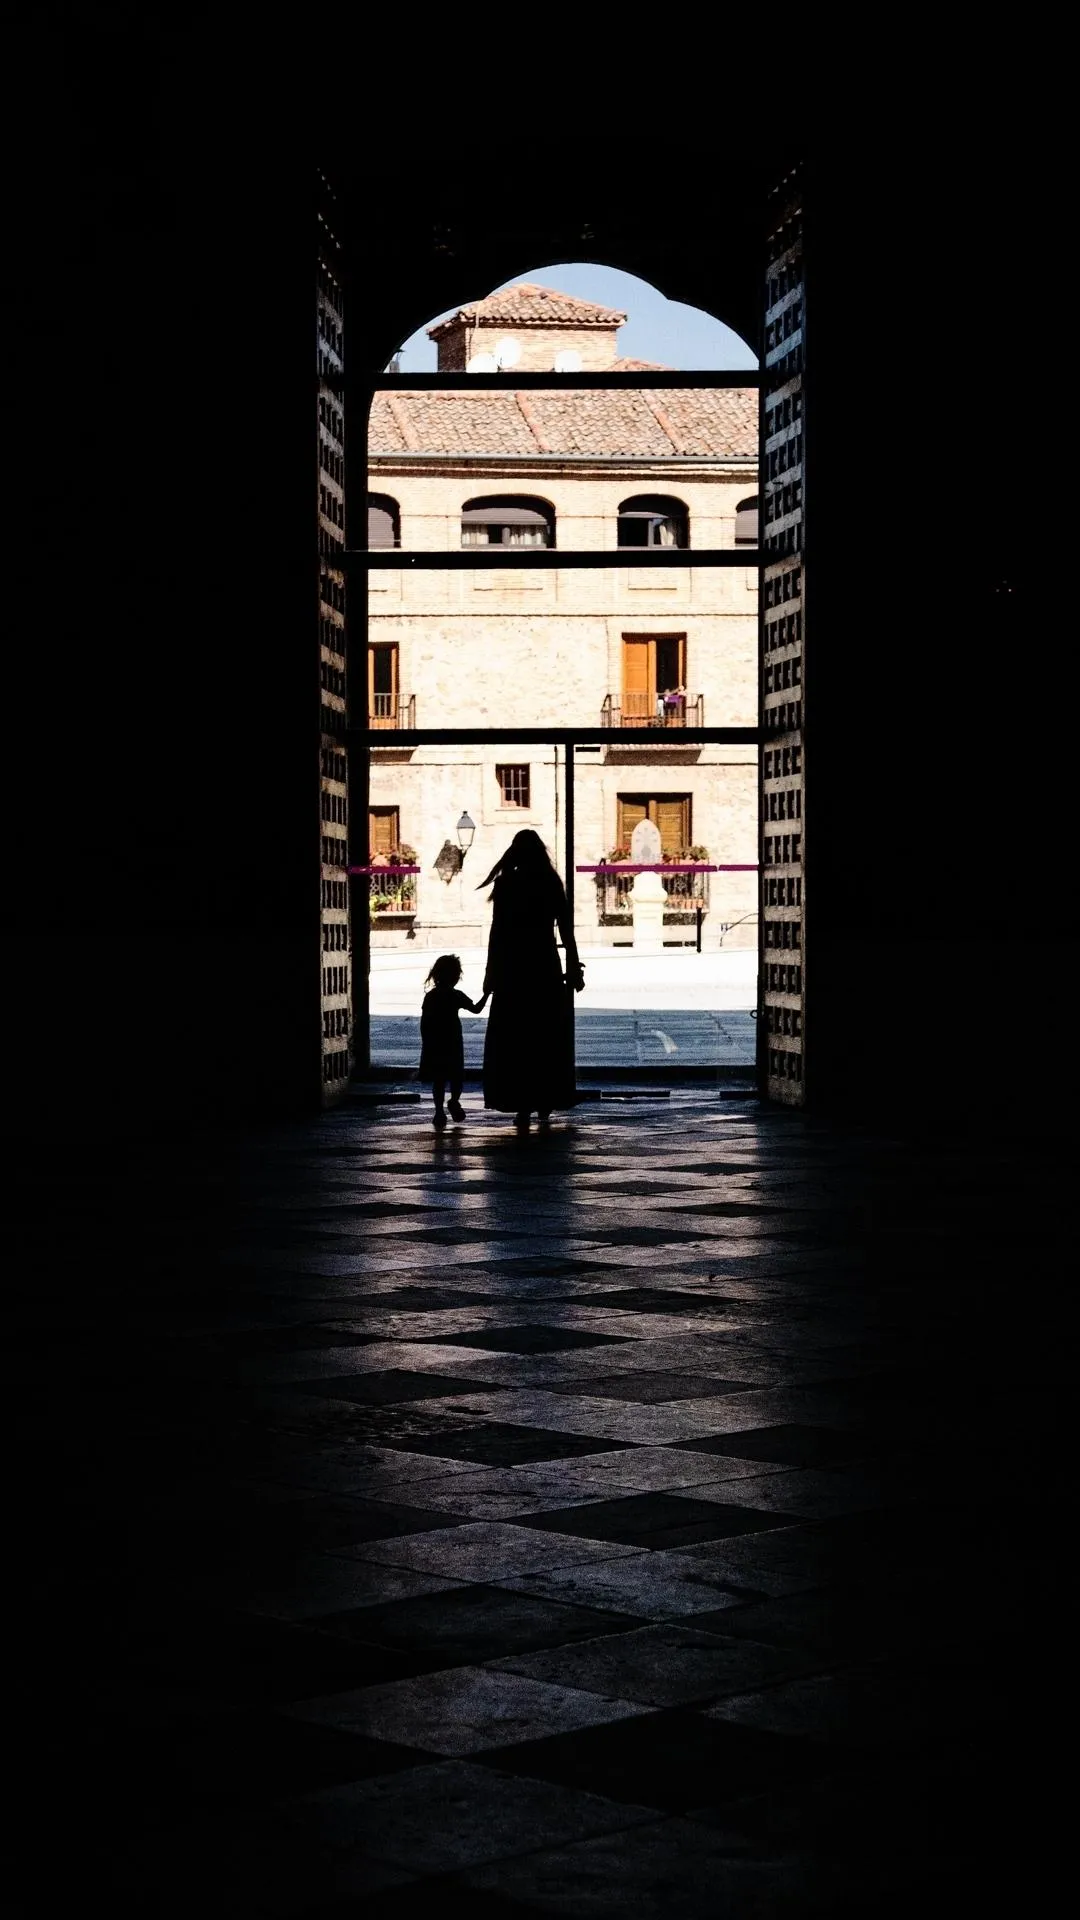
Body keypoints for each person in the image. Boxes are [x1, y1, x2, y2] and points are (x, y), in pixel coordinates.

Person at [478, 829, 585, 1130]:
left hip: (513, 968)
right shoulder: (551, 883)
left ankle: (521, 1101)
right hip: (543, 966)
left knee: (516, 1038)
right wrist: (574, 968)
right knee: (544, 1034)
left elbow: (497, 932)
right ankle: (546, 1099)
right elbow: (566, 931)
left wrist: (490, 973)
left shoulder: (506, 884)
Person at [419, 955, 487, 1132]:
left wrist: (426, 1041)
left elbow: (424, 1022)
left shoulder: (431, 996)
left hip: (435, 1041)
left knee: (439, 1079)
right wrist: (487, 994)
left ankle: (439, 1111)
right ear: (456, 976)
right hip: (453, 1041)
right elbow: (476, 1009)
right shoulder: (456, 995)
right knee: (456, 1075)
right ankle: (454, 1100)